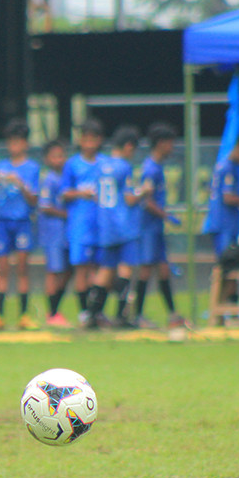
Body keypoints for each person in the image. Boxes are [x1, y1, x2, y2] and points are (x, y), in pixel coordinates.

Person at [84, 126, 146, 329]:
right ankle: (122, 316)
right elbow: (129, 199)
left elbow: (95, 194)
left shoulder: (101, 165)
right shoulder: (124, 167)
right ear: (128, 147)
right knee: (126, 268)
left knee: (106, 270)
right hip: (123, 225)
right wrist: (143, 191)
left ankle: (92, 314)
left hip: (105, 225)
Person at [0, 118, 41, 331]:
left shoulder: (32, 168)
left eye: (17, 142)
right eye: (10, 142)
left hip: (22, 221)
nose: (13, 146)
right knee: (1, 269)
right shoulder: (1, 166)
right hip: (2, 222)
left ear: (25, 144)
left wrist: (20, 184)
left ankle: (24, 316)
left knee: (23, 268)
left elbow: (34, 199)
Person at [132, 123, 187, 329]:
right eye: (170, 143)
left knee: (163, 269)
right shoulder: (150, 168)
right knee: (146, 269)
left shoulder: (157, 167)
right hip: (148, 228)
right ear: (161, 144)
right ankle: (136, 315)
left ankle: (173, 315)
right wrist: (166, 216)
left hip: (155, 228)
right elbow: (146, 201)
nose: (172, 147)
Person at [61, 119, 105, 325]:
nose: (88, 143)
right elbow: (64, 193)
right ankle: (84, 312)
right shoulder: (72, 164)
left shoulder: (105, 164)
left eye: (92, 139)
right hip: (80, 224)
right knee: (81, 268)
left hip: (102, 223)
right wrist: (81, 193)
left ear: (99, 141)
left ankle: (97, 310)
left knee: (100, 268)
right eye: (85, 139)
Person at [203, 133, 239, 260]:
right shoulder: (228, 168)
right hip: (224, 223)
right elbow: (227, 198)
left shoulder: (223, 165)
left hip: (221, 221)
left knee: (228, 263)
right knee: (227, 263)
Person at [38, 140, 72, 328]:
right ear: (47, 159)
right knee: (54, 270)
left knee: (67, 270)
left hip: (64, 231)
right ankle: (51, 313)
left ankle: (55, 311)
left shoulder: (65, 177)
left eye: (62, 155)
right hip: (53, 231)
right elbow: (44, 206)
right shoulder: (49, 179)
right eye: (55, 156)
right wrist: (66, 214)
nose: (60, 159)